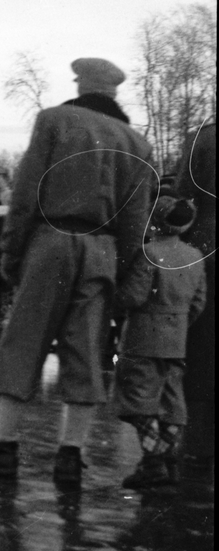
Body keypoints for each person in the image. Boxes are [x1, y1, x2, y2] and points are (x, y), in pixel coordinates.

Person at [0, 57, 156, 487]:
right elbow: (136, 222)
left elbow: (26, 193)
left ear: (80, 86)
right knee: (86, 351)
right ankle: (71, 456)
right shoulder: (138, 144)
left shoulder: (54, 120)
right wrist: (125, 276)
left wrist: (11, 253)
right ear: (113, 92)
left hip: (51, 242)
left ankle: (3, 446)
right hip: (103, 251)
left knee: (23, 341)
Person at [113, 195, 208, 488]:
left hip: (142, 337)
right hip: (176, 338)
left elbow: (135, 296)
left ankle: (153, 462)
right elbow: (198, 302)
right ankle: (167, 460)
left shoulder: (149, 253)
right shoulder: (195, 256)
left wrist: (116, 299)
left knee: (138, 400)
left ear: (156, 220)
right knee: (171, 400)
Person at [175, 119, 215, 468]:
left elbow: (184, 191)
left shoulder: (201, 138)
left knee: (202, 342)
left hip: (207, 240)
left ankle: (198, 440)